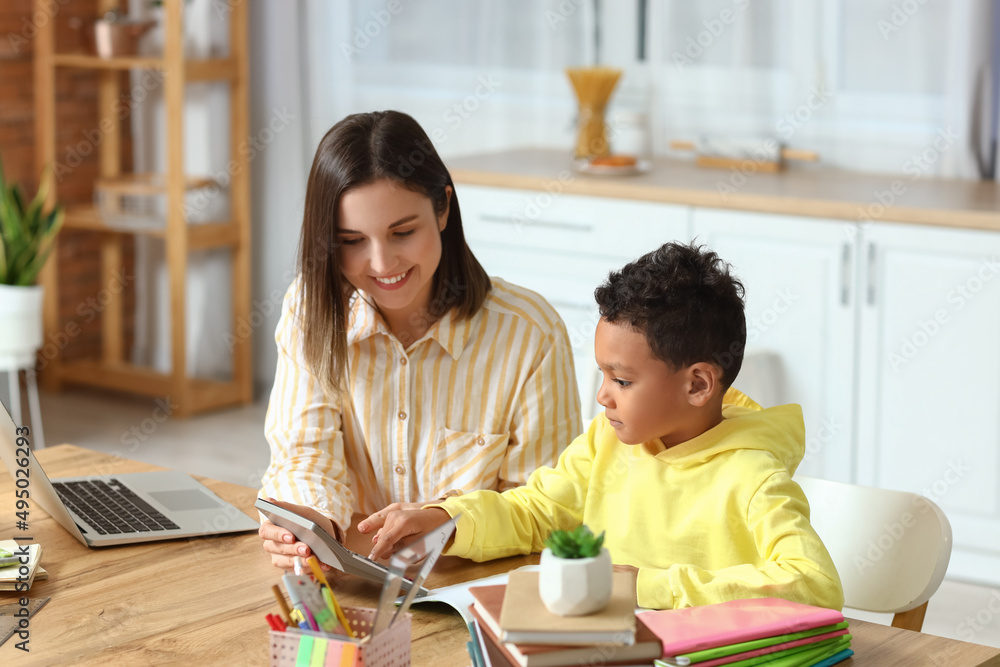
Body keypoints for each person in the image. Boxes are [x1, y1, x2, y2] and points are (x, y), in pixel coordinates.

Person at [360, 242, 845, 610]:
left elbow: (815, 585)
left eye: (623, 379)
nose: (602, 395)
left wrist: (645, 586)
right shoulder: (606, 440)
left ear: (698, 385)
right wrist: (449, 519)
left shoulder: (753, 476)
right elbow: (538, 512)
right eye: (603, 374)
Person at [258, 111, 582, 570]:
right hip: (352, 580)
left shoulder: (531, 333)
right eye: (351, 240)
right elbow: (304, 452)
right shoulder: (310, 311)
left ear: (443, 207)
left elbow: (553, 512)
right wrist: (307, 521)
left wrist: (451, 521)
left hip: (473, 590)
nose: (381, 263)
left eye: (402, 232)